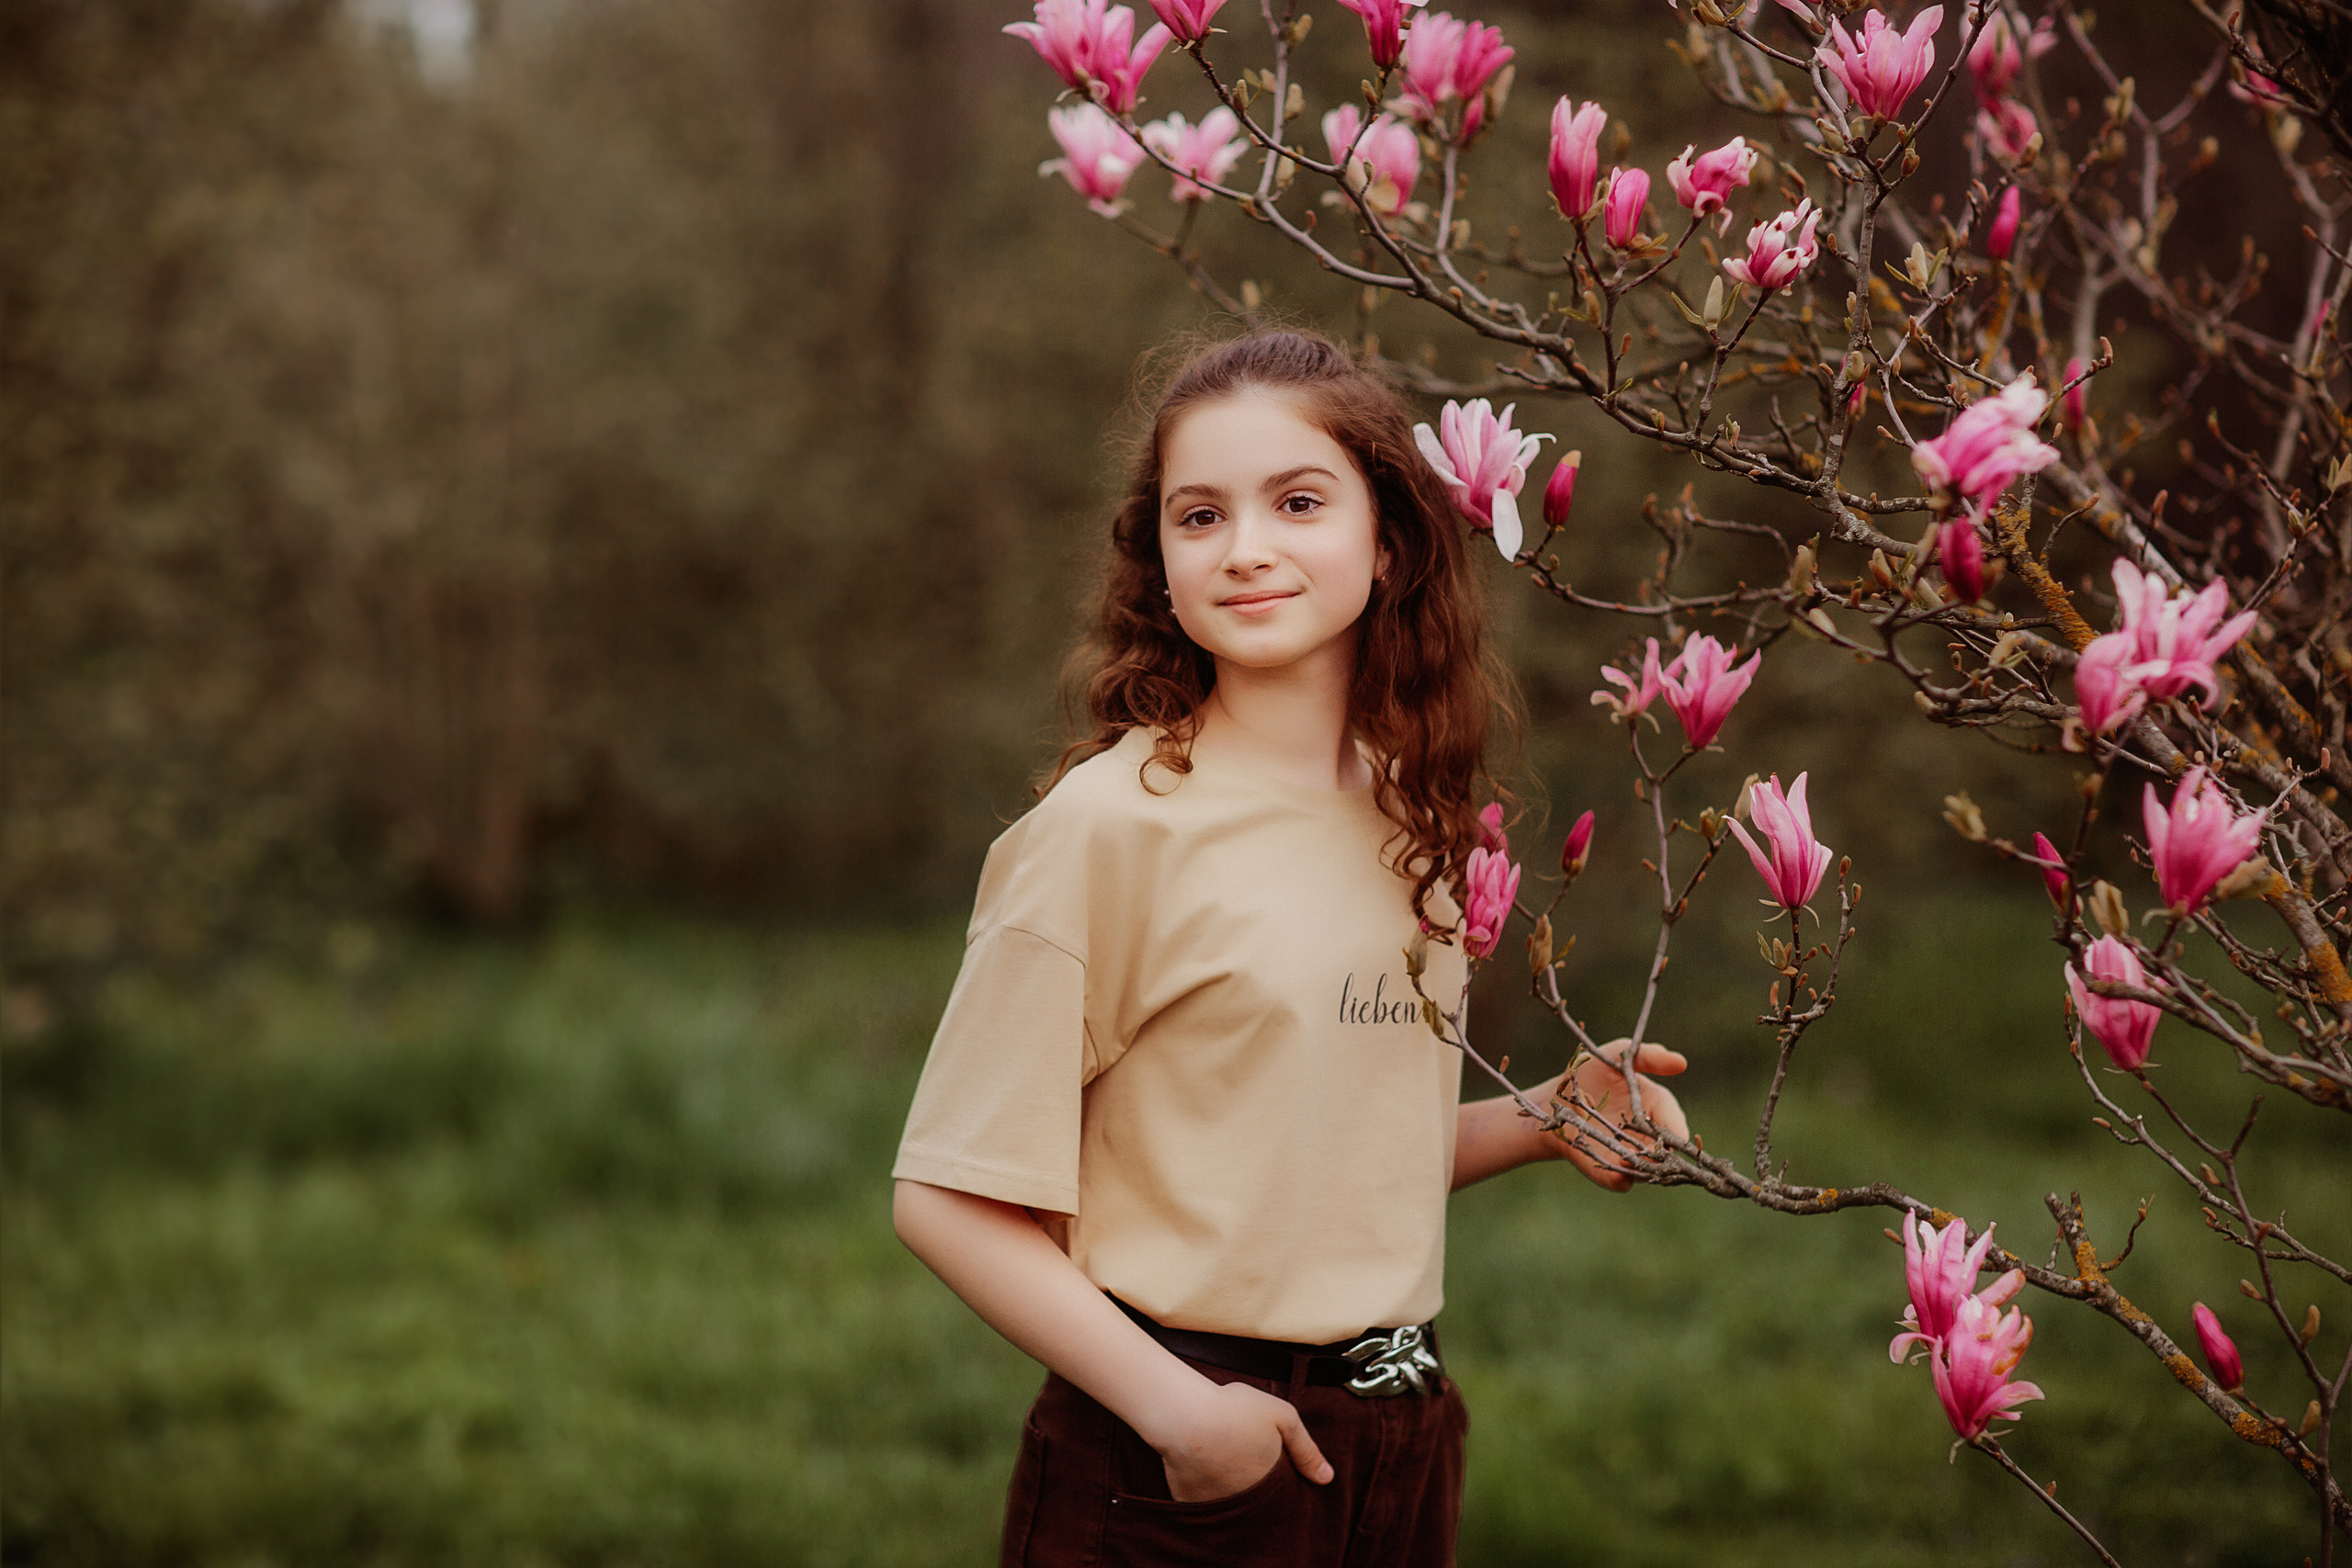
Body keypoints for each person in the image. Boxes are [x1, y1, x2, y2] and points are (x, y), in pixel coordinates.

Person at [891, 328, 1689, 1567]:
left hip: (1404, 1424)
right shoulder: (1108, 830)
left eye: (1299, 501)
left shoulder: (1413, 815)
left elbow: (1305, 1156)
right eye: (1199, 516)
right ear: (1158, 566)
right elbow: (947, 1195)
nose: (1247, 548)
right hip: (1180, 1462)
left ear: (1389, 540)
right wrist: (1180, 1413)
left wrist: (1548, 1118)